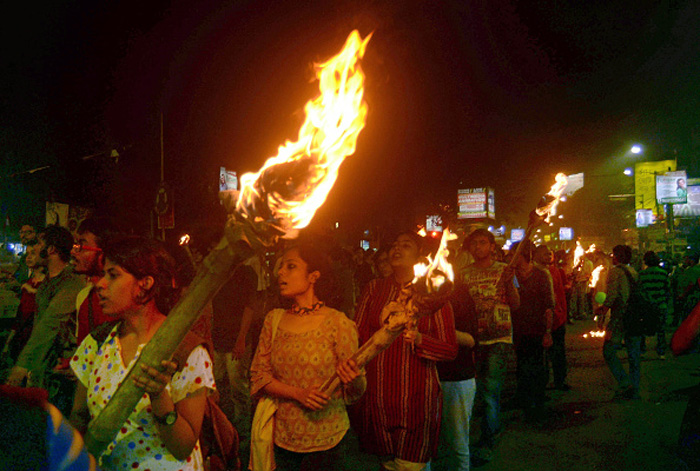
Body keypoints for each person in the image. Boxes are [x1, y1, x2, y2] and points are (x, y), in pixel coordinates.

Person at [69, 235, 215, 470]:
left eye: (113, 275)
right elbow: (78, 417)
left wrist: (159, 397)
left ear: (145, 283)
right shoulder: (96, 344)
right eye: (104, 274)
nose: (100, 284)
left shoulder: (186, 351)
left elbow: (183, 447)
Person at [250, 241, 366, 470]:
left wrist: (355, 379)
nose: (280, 272)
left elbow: (356, 392)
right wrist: (298, 394)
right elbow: (259, 375)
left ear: (313, 276)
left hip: (329, 442)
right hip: (282, 440)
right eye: (281, 266)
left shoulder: (338, 323)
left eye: (290, 266)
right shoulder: (274, 319)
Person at [352, 231, 457, 471]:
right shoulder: (374, 289)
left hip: (416, 403)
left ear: (420, 256)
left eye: (406, 245)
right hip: (378, 401)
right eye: (394, 244)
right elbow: (356, 336)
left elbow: (450, 349)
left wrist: (420, 339)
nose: (396, 249)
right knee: (387, 465)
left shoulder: (432, 293)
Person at [7, 225, 85, 415]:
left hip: (61, 370)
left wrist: (22, 365)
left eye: (40, 243)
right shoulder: (46, 284)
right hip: (43, 369)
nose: (35, 248)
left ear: (51, 250)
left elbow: (49, 325)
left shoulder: (71, 283)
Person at [459, 228, 519, 464]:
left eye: (482, 243)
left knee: (490, 390)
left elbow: (516, 303)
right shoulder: (463, 274)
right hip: (473, 339)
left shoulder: (505, 271)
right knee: (475, 392)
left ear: (492, 247)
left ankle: (489, 436)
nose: (478, 248)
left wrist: (510, 285)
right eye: (474, 244)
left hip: (499, 339)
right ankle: (483, 430)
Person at [429, 283, 478, 471]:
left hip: (456, 378)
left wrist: (439, 330)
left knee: (458, 439)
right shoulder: (418, 295)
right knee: (427, 440)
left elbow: (471, 340)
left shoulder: (459, 296)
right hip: (427, 375)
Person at [510, 241, 554, 420]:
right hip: (518, 329)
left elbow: (548, 306)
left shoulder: (541, 275)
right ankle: (525, 401)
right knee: (522, 367)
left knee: (537, 367)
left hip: (537, 328)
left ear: (523, 255)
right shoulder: (511, 276)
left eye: (514, 255)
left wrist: (548, 331)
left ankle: (538, 403)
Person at [596, 245, 641, 400]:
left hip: (620, 318)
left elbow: (612, 295)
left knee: (608, 350)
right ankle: (634, 388)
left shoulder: (615, 272)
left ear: (617, 256)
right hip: (635, 317)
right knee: (634, 354)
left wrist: (602, 312)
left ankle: (624, 382)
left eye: (614, 255)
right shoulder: (633, 271)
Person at [71, 217, 120, 347]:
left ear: (103, 253)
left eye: (81, 246)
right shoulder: (84, 296)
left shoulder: (124, 298)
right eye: (75, 245)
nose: (73, 252)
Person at [534, 244, 569, 391]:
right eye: (544, 254)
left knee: (559, 352)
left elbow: (560, 294)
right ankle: (543, 384)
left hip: (558, 318)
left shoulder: (555, 271)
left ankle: (559, 381)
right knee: (542, 355)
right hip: (543, 320)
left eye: (550, 254)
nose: (548, 257)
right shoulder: (535, 272)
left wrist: (563, 314)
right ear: (536, 256)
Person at [7, 240, 46, 362]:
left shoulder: (46, 283)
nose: (28, 257)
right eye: (27, 253)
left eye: (33, 253)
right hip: (22, 337)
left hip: (36, 338)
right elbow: (21, 312)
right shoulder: (30, 282)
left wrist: (33, 291)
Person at [638, 251, 671, 360]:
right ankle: (661, 353)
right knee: (661, 330)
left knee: (642, 329)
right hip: (661, 305)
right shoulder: (663, 273)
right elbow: (667, 289)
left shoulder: (642, 274)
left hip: (646, 306)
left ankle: (642, 351)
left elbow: (640, 291)